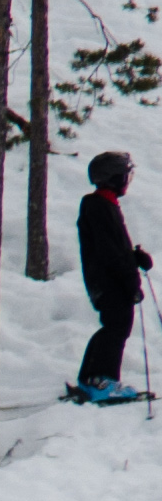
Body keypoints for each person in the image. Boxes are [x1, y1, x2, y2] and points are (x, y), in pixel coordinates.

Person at [79, 151, 146, 407]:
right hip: (109, 281)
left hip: (106, 279)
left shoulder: (104, 205)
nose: (127, 181)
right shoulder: (99, 207)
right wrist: (130, 281)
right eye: (125, 176)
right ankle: (102, 381)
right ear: (114, 178)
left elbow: (115, 248)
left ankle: (91, 378)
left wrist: (135, 258)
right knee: (118, 326)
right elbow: (110, 252)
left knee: (113, 326)